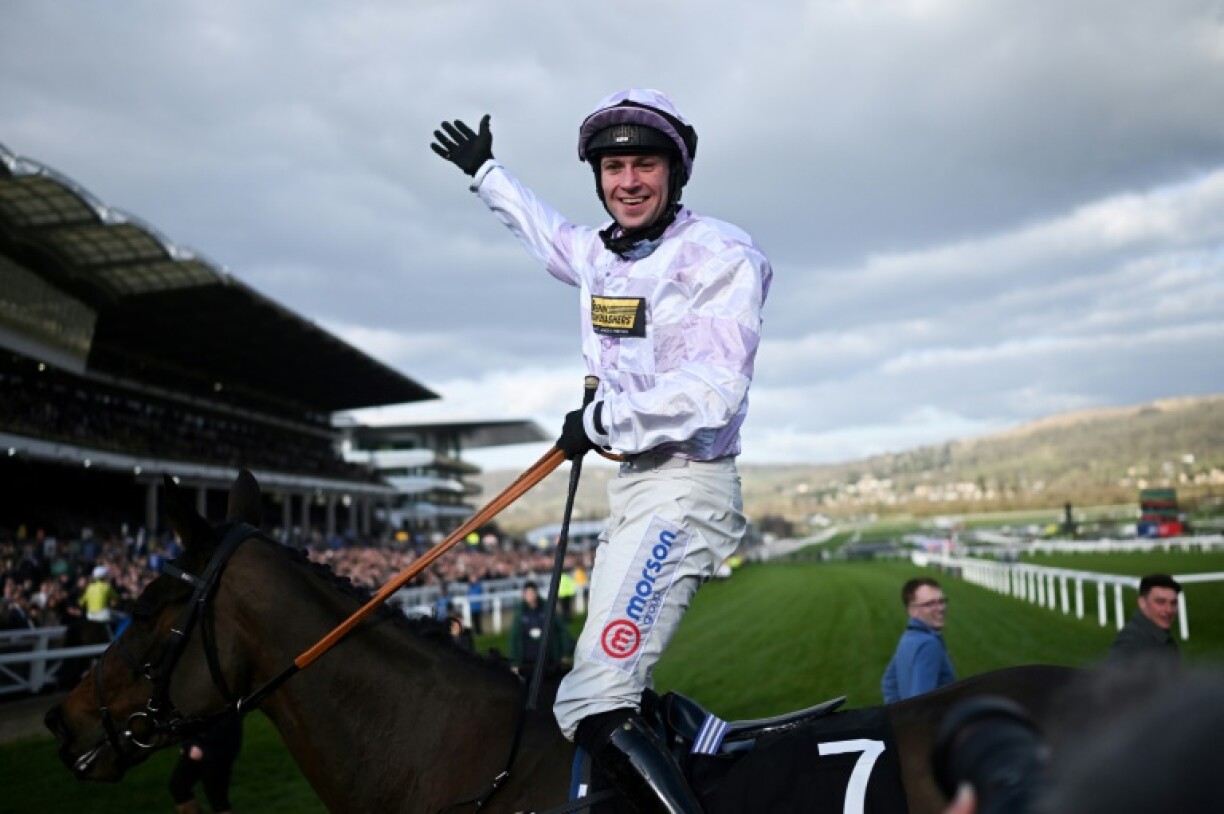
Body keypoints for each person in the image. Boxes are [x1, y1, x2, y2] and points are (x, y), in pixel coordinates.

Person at [432, 87, 772, 812]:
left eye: (644, 164)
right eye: (613, 166)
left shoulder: (721, 255)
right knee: (603, 683)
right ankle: (693, 744)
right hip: (634, 493)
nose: (627, 180)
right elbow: (548, 235)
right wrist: (488, 173)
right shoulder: (598, 255)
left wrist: (601, 422)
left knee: (590, 696)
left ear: (675, 173)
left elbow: (713, 394)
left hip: (687, 490)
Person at [882, 577, 956, 703]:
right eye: (930, 604)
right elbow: (921, 703)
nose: (940, 608)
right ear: (912, 610)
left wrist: (898, 717)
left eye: (942, 601)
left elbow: (888, 683)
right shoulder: (929, 644)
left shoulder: (908, 637)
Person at [168, 711, 243, 814]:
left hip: (216, 750)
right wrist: (188, 744)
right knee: (179, 787)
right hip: (198, 746)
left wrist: (199, 745)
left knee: (218, 801)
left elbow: (228, 719)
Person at [1107, 573, 1181, 664]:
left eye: (1173, 603)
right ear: (1142, 603)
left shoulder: (1160, 636)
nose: (1169, 610)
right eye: (1160, 602)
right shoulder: (1131, 643)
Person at [508, 581, 572, 678]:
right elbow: (515, 637)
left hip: (549, 659)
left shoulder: (547, 608)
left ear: (536, 593)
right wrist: (515, 662)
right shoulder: (520, 613)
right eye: (527, 594)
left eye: (531, 593)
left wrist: (564, 653)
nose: (529, 596)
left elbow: (561, 630)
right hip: (528, 661)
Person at [78, 564, 117, 646]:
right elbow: (117, 598)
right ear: (104, 576)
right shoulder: (106, 587)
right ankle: (114, 642)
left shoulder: (89, 587)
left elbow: (81, 602)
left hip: (90, 616)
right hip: (103, 616)